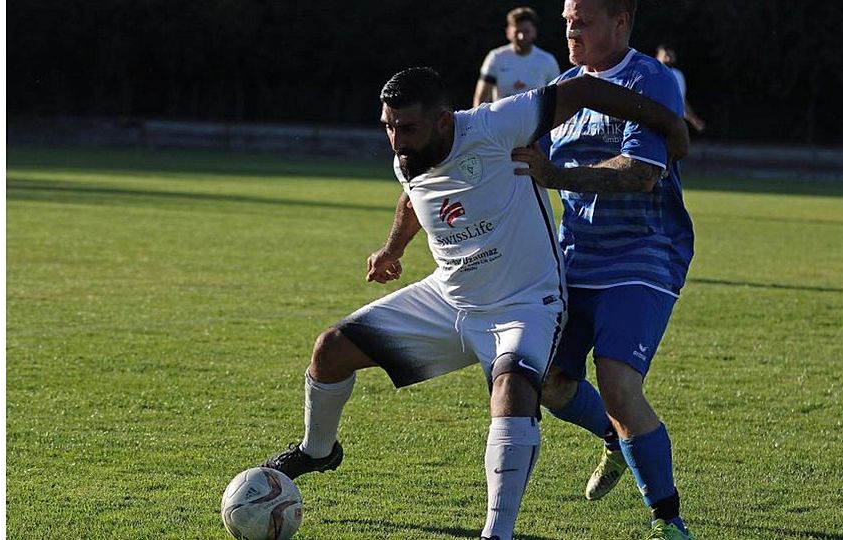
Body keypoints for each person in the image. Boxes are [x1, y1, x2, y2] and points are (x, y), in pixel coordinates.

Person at [260, 66, 688, 540]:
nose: (396, 140)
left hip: (524, 304)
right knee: (331, 349)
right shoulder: (409, 154)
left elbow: (583, 88)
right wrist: (391, 249)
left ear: (444, 120)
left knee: (514, 390)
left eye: (407, 127)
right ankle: (318, 451)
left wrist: (669, 124)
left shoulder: (495, 125)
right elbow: (413, 198)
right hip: (448, 298)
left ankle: (496, 533)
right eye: (388, 126)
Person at [510, 0, 697, 539]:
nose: (570, 30)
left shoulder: (649, 80)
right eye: (567, 20)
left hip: (643, 254)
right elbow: (521, 154)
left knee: (617, 383)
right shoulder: (565, 87)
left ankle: (668, 521)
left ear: (620, 22)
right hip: (574, 258)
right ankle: (616, 439)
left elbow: (640, 172)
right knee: (549, 383)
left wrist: (556, 175)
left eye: (583, 21)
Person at [472, 7, 562, 107]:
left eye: (526, 31)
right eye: (517, 32)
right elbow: (481, 99)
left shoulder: (547, 60)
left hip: (535, 117)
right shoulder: (496, 57)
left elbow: (557, 98)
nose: (521, 37)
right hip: (502, 116)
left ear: (534, 32)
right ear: (508, 32)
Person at [656, 44, 706, 132]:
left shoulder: (678, 75)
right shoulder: (650, 74)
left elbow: (681, 101)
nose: (668, 59)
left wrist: (694, 119)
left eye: (671, 56)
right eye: (665, 56)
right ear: (657, 57)